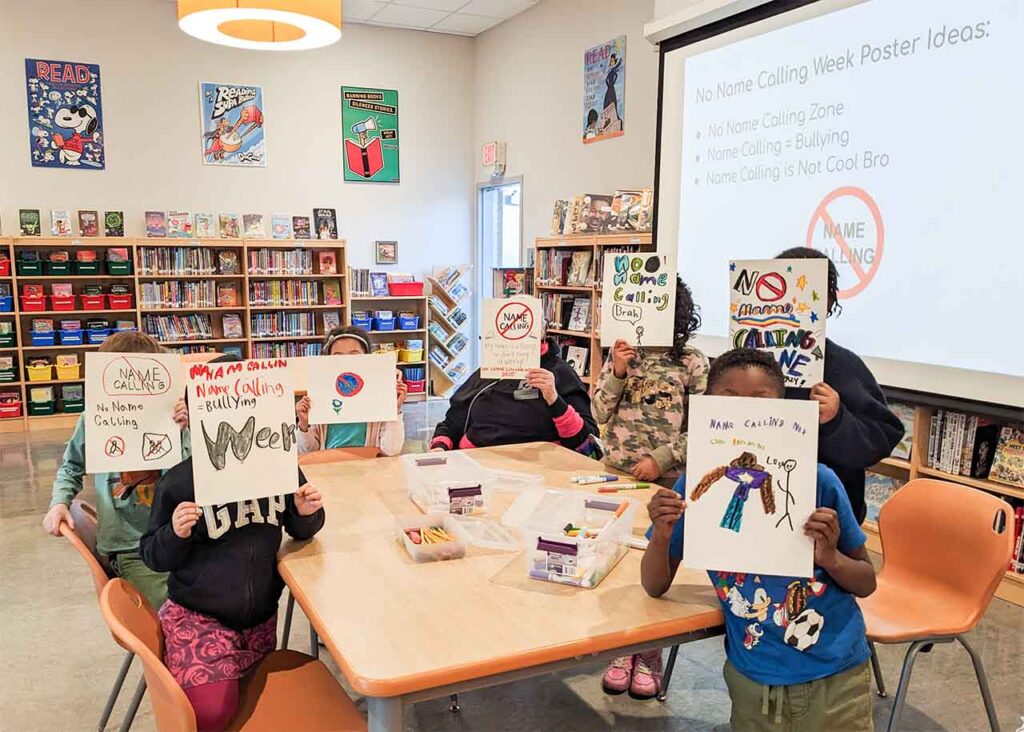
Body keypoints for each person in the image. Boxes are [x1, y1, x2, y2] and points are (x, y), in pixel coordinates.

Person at [643, 348, 876, 730]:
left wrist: (831, 556)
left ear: (784, 409)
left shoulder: (818, 482)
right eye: (729, 401)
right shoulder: (695, 487)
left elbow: (866, 582)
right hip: (752, 679)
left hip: (835, 676)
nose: (746, 415)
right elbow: (655, 585)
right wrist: (661, 535)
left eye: (760, 403)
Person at [140, 354, 326, 732]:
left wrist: (306, 512)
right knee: (211, 713)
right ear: (196, 418)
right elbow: (152, 555)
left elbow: (301, 527)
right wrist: (174, 532)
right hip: (199, 614)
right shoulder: (179, 481)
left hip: (259, 616)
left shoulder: (281, 467)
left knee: (257, 703)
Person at [594, 278, 708, 699]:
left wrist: (659, 460)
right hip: (615, 472)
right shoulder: (621, 355)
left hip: (665, 479)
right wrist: (618, 371)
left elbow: (702, 427)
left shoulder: (692, 362)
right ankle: (620, 648)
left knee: (656, 565)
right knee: (615, 566)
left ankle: (651, 651)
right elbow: (599, 410)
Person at [42, 331, 190, 610]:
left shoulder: (173, 420)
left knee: (217, 587)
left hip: (172, 536)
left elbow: (192, 476)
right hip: (129, 548)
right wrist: (59, 502)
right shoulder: (94, 420)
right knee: (180, 610)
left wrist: (185, 432)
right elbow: (72, 465)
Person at [776, 247, 904, 522]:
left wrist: (838, 419)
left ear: (828, 302)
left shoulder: (842, 366)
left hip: (829, 515)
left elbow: (883, 436)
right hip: (763, 504)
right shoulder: (746, 365)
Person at [429, 334, 599, 456]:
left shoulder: (559, 372)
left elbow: (587, 443)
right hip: (479, 462)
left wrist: (554, 400)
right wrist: (440, 446)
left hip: (540, 468)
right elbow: (453, 421)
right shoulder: (489, 371)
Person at [294, 326, 407, 456]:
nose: (346, 362)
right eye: (338, 357)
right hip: (327, 468)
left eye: (354, 355)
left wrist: (395, 409)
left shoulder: (378, 395)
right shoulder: (321, 396)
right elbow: (307, 452)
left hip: (369, 469)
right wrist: (304, 425)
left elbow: (391, 450)